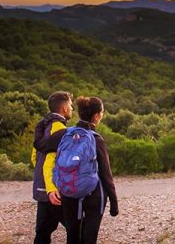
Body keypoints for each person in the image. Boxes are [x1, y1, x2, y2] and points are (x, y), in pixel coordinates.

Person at [59, 96, 119, 244]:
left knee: (72, 236)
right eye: (102, 113)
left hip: (69, 191)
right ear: (97, 116)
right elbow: (106, 175)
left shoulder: (67, 134)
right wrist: (114, 202)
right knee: (89, 238)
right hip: (94, 194)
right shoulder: (96, 139)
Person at [31, 91, 73, 244]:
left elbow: (34, 157)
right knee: (76, 230)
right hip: (54, 191)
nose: (72, 109)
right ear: (64, 109)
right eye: (70, 105)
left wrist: (42, 178)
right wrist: (51, 187)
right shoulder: (58, 128)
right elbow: (50, 160)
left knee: (42, 233)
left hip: (42, 189)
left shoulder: (43, 127)